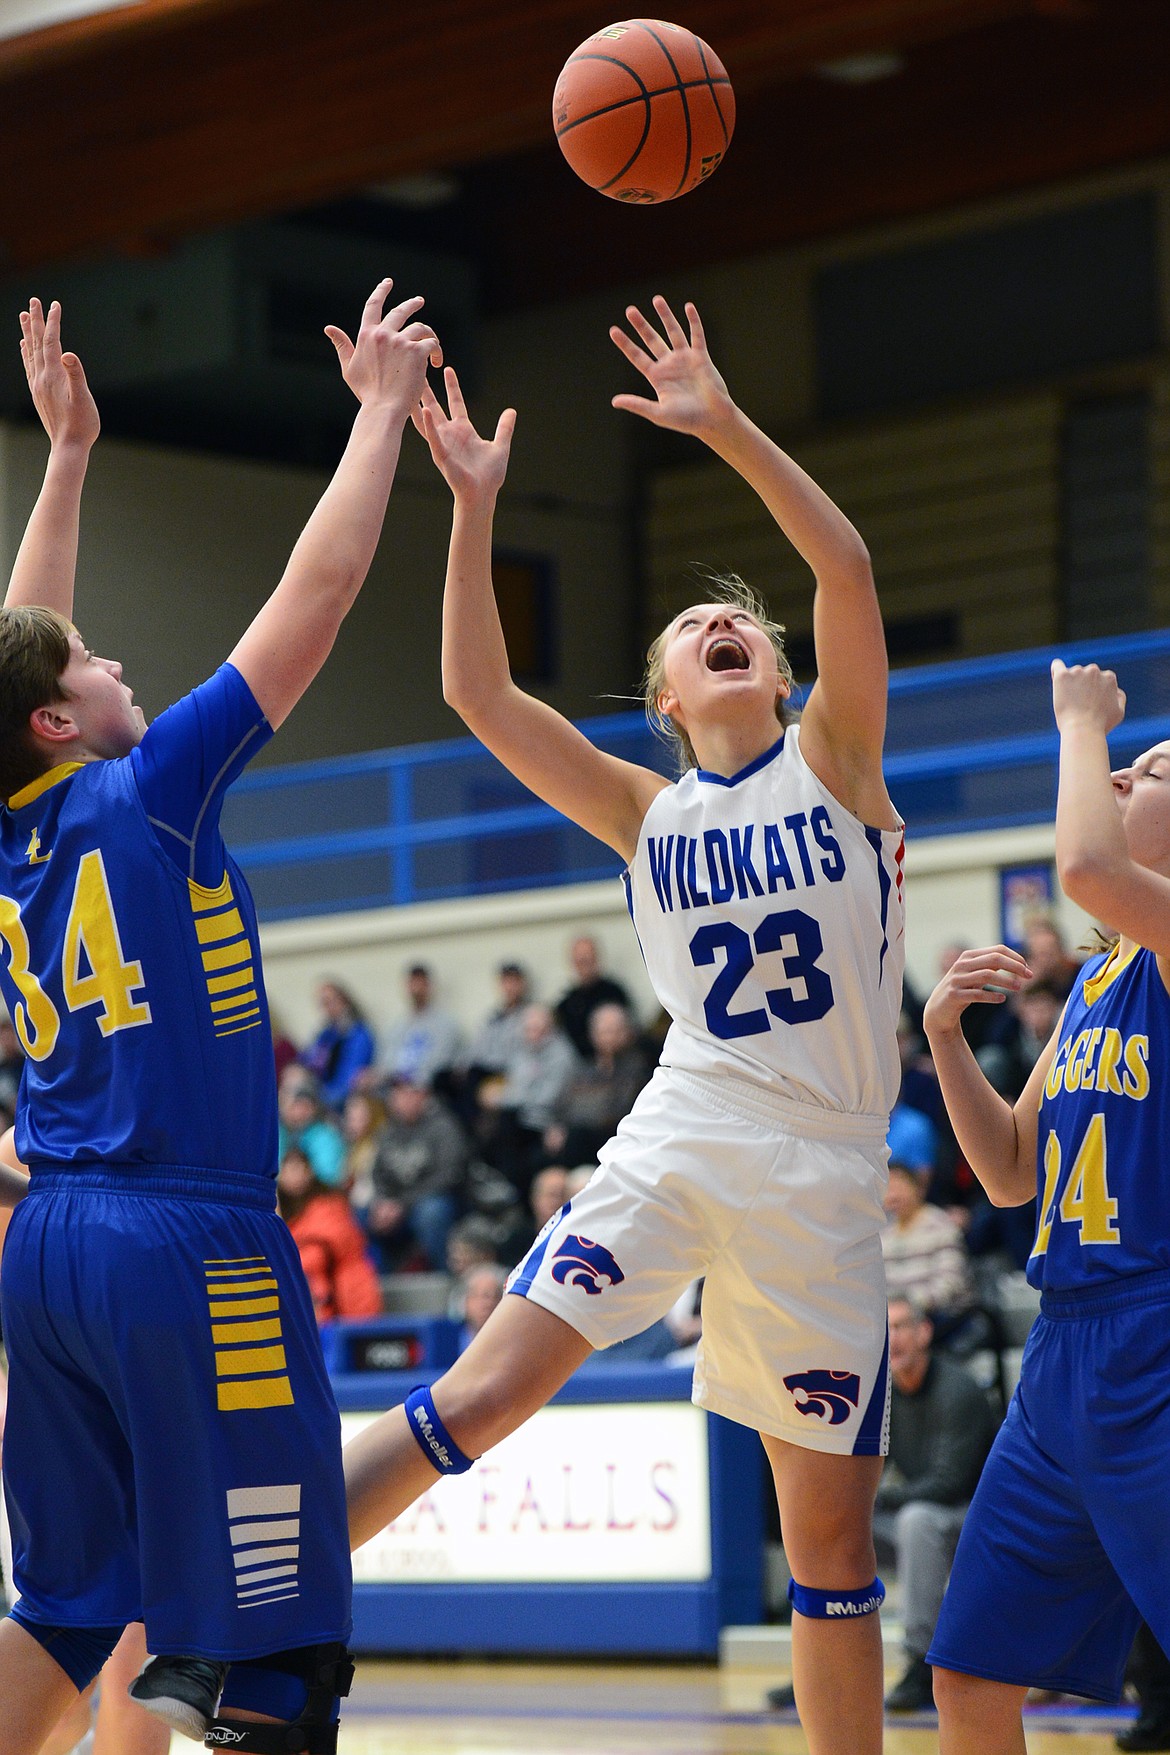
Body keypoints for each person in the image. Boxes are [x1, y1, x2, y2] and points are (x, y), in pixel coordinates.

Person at [343, 295, 905, 1755]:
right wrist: (468, 505)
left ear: (779, 680)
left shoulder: (838, 763)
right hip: (685, 1128)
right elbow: (477, 688)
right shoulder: (641, 810)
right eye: (694, 629)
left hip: (828, 1172)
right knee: (481, 1386)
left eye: (744, 626)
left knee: (829, 1554)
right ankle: (238, 1599)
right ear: (662, 698)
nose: (725, 623)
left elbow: (837, 559)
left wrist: (722, 425)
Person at [0, 284, 440, 1755]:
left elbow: (18, 653)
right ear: (64, 723)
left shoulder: (10, 825)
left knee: (67, 1601)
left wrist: (65, 460)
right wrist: (376, 414)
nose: (120, 663)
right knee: (275, 1632)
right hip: (183, 1237)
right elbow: (308, 604)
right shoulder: (151, 794)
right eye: (97, 665)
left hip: (48, 1241)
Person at [922, 658, 1170, 1754]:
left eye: (1153, 769)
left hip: (1157, 1337)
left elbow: (1082, 865)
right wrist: (941, 1044)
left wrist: (1077, 721)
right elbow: (1013, 1170)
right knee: (972, 1676)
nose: (1120, 773)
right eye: (1118, 760)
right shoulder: (1104, 980)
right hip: (1061, 1353)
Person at [276, 1146, 383, 1324]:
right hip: (322, 1295)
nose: (293, 1175)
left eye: (298, 1168)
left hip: (349, 1293)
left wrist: (285, 1263)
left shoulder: (329, 1205)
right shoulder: (284, 1212)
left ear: (309, 1171)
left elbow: (321, 1251)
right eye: (288, 1169)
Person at [300, 979, 375, 1112]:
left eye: (330, 1002)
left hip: (341, 1099)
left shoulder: (358, 1034)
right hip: (319, 1094)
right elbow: (307, 1062)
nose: (327, 1008)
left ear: (344, 1001)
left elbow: (350, 1079)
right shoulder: (325, 1035)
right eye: (323, 1003)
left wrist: (321, 1100)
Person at [554, 934, 632, 1060]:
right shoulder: (566, 1004)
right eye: (580, 961)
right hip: (580, 1067)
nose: (584, 965)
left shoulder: (615, 993)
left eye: (588, 959)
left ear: (597, 959)